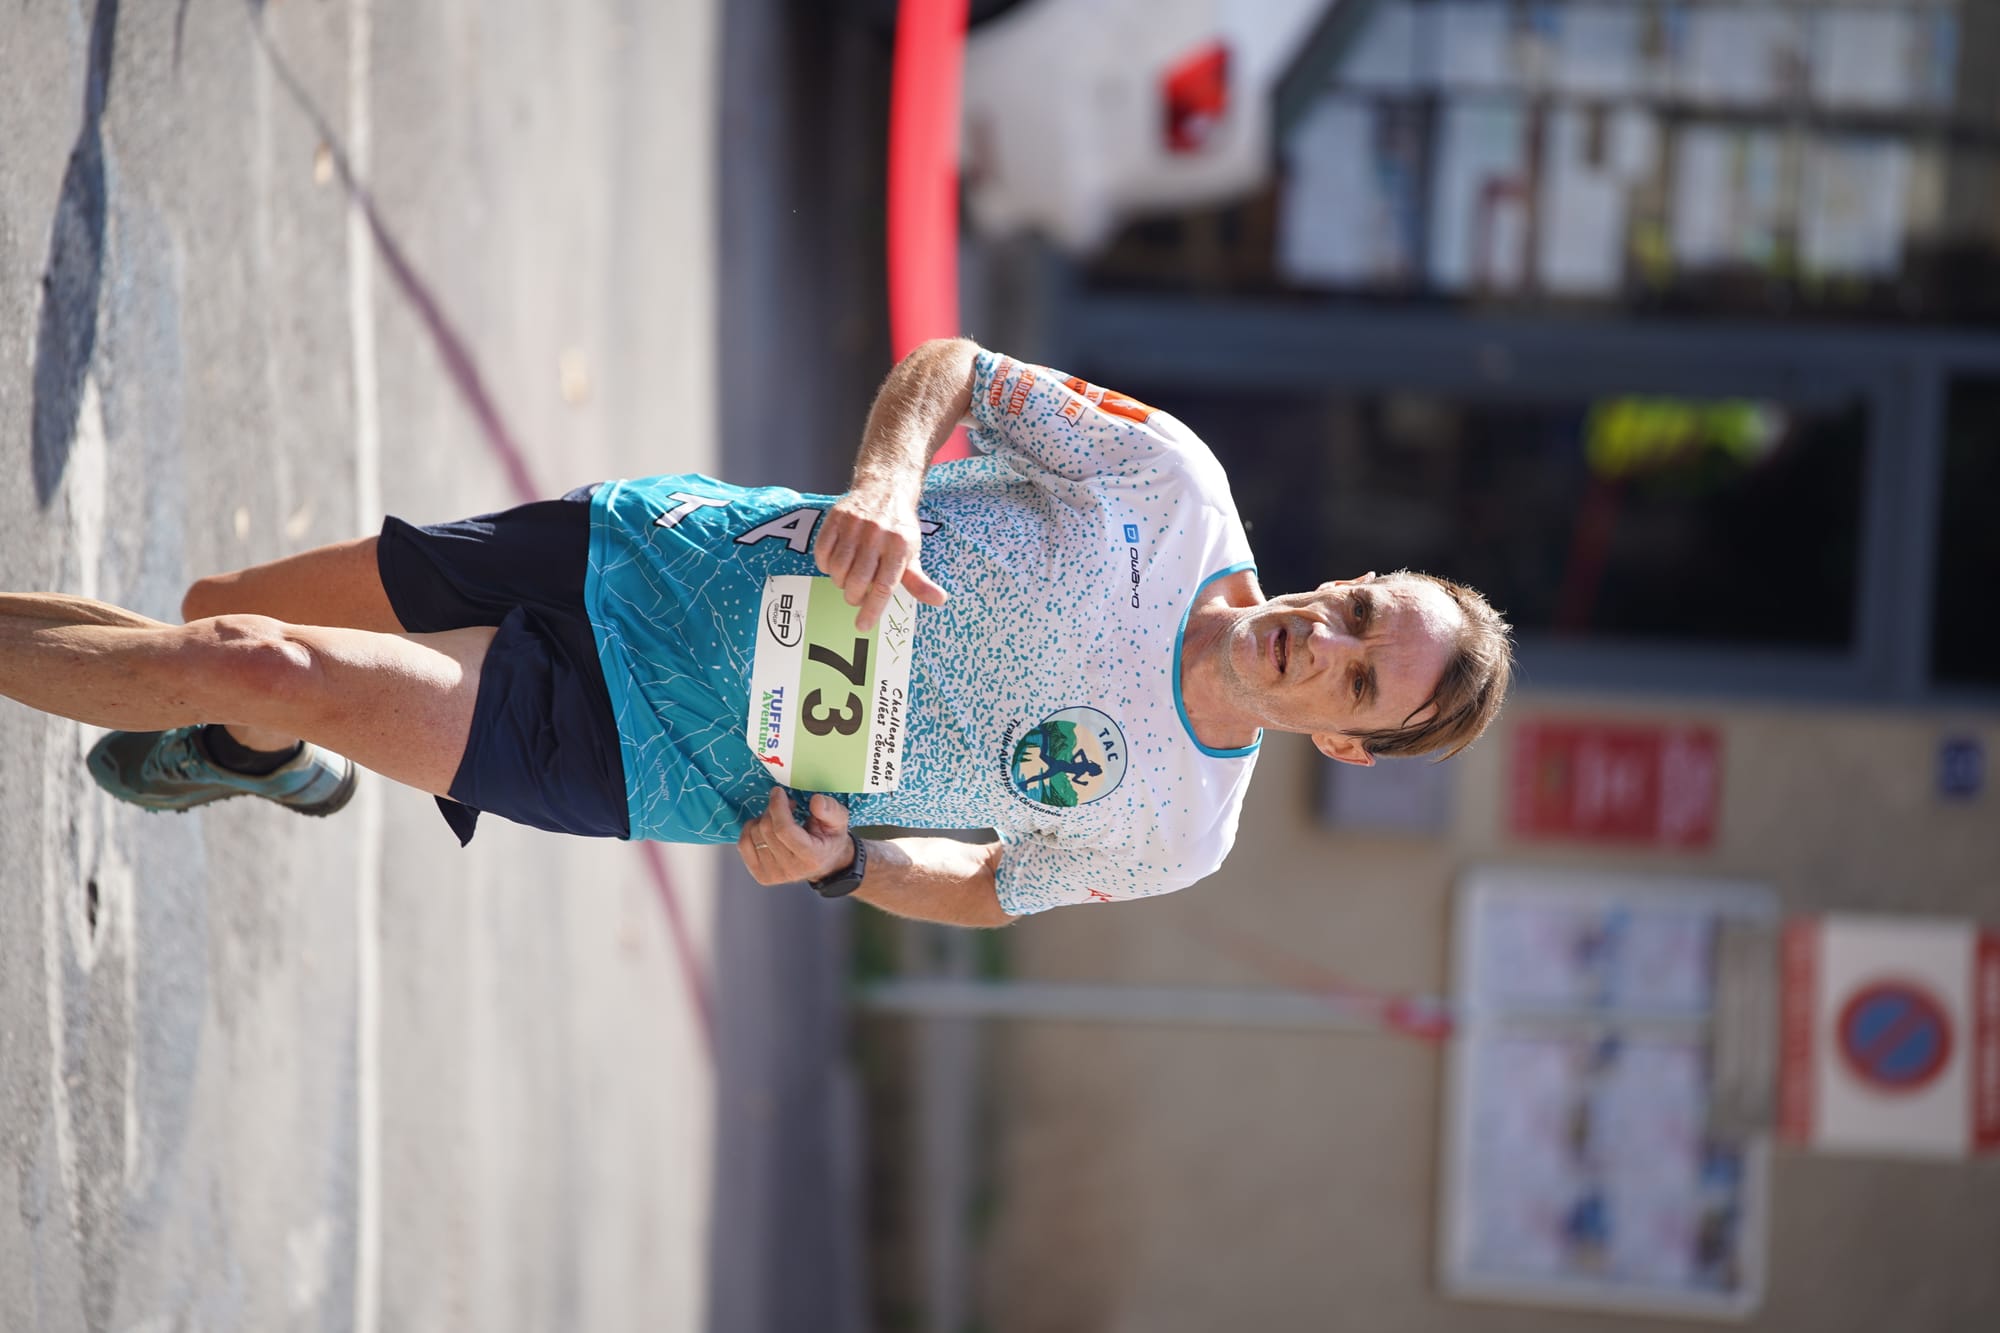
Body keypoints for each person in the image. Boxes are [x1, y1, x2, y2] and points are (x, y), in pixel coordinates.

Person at [0, 339, 1512, 927]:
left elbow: (995, 887)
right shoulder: (1172, 487)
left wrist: (847, 861)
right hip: (660, 550)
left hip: (656, 757)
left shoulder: (1178, 825)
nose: (1332, 635)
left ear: (1345, 737)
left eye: (1363, 677)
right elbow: (954, 371)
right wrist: (887, 481)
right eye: (1368, 608)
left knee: (257, 663)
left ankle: (258, 725)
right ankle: (260, 756)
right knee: (216, 621)